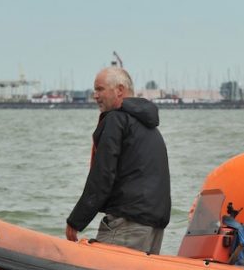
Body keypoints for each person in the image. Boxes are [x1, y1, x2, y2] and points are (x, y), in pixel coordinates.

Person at [65, 66, 171, 254]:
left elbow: (102, 175)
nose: (95, 96)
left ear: (120, 90)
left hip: (128, 224)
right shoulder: (149, 126)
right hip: (154, 226)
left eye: (100, 89)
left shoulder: (116, 120)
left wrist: (76, 221)